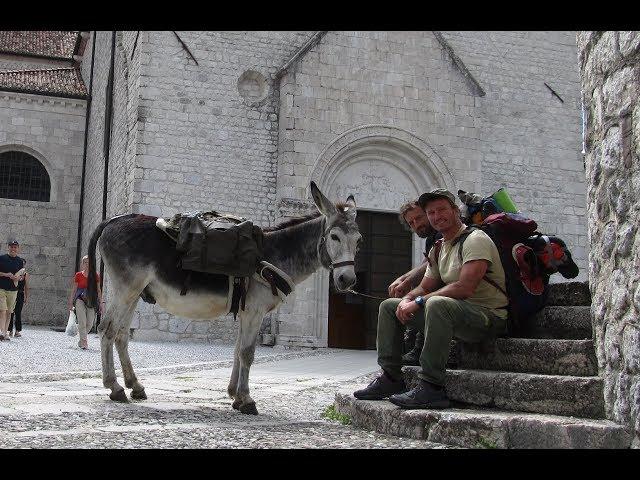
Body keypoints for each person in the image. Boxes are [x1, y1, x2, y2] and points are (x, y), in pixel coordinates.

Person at [354, 188, 508, 409]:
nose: (437, 216)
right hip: (454, 316)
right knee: (389, 306)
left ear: (455, 211)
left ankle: (432, 387)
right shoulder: (439, 247)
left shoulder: (475, 239)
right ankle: (391, 378)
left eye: (442, 210)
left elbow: (464, 287)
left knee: (436, 303)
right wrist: (407, 298)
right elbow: (424, 287)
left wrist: (418, 302)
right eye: (431, 212)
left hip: (487, 318)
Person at [387, 201, 440, 365]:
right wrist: (403, 280)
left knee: (426, 296)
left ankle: (418, 349)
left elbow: (432, 262)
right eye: (411, 222)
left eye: (419, 218)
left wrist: (406, 280)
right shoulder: (431, 237)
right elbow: (427, 263)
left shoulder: (442, 233)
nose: (417, 224)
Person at [68, 255, 103, 349]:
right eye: (85, 262)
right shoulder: (78, 275)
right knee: (82, 322)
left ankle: (81, 340)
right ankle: (84, 342)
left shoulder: (96, 275)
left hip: (91, 300)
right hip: (80, 299)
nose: (87, 264)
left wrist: (101, 304)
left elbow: (99, 290)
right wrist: (71, 302)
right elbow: (74, 290)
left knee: (90, 323)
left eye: (89, 262)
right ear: (82, 264)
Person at [0, 240, 26, 341]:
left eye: (15, 247)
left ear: (18, 249)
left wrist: (17, 278)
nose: (13, 249)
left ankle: (5, 332)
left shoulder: (20, 261)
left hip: (13, 290)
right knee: (3, 310)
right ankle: (2, 332)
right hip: (1, 288)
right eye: (11, 247)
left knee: (9, 312)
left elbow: (22, 276)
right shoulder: (2, 258)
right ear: (8, 247)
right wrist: (6, 274)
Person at [9, 258, 28, 337]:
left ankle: (17, 330)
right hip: (13, 293)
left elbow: (26, 286)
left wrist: (26, 297)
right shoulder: (14, 273)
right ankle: (9, 330)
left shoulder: (26, 274)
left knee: (18, 312)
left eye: (23, 264)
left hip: (20, 294)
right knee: (11, 312)